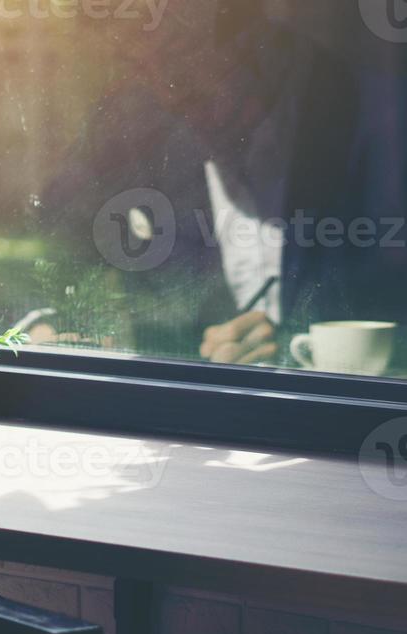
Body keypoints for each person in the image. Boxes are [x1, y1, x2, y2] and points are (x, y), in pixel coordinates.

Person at [29, 0, 407, 368]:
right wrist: (43, 328)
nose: (167, 88)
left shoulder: (381, 120)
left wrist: (296, 349)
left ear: (256, 39)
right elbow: (57, 241)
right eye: (137, 62)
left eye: (181, 52)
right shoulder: (130, 122)